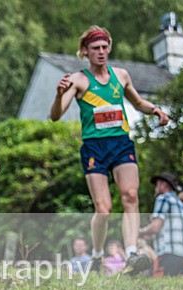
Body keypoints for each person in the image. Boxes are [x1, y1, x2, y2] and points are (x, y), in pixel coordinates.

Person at [50, 26, 169, 276]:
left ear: (109, 48)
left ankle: (132, 252)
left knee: (131, 195)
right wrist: (59, 94)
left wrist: (156, 110)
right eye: (95, 48)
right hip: (94, 147)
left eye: (105, 47)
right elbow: (55, 116)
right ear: (85, 51)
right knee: (103, 209)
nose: (101, 52)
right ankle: (96, 254)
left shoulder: (121, 75)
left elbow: (137, 102)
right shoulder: (78, 80)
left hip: (121, 143)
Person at [138, 172, 183, 277]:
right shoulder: (181, 205)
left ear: (163, 185)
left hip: (170, 254)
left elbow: (156, 227)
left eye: (157, 185)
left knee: (162, 284)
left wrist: (140, 232)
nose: (155, 188)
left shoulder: (163, 199)